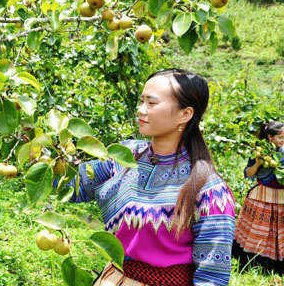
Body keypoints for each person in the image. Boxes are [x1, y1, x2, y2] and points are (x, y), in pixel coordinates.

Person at [66, 69, 236, 286]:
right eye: (141, 101)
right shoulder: (123, 157)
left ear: (185, 114)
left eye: (151, 103)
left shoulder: (210, 191)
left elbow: (212, 276)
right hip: (114, 279)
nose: (141, 110)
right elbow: (72, 185)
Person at [232, 121, 284, 275]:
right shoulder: (260, 152)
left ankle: (280, 270)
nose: (283, 141)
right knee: (259, 232)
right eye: (280, 137)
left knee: (282, 234)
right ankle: (253, 266)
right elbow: (248, 173)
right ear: (270, 137)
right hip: (263, 196)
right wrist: (257, 163)